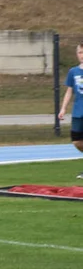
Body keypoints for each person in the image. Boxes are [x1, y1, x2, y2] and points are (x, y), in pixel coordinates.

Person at [58, 42, 83, 179]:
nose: (82, 55)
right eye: (80, 52)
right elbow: (69, 91)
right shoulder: (73, 71)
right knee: (76, 141)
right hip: (78, 111)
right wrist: (63, 108)